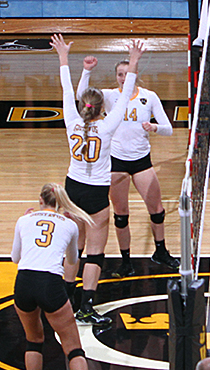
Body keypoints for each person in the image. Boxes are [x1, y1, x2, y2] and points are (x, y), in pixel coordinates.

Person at [52, 33, 143, 326]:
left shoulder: (72, 120)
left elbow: (68, 91)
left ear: (82, 107)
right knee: (95, 251)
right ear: (102, 107)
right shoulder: (107, 126)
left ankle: (64, 302)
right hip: (95, 192)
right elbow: (128, 89)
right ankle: (86, 307)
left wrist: (63, 57)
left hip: (71, 189)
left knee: (72, 248)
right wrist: (135, 60)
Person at [11, 183, 107, 370]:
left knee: (33, 340)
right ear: (61, 203)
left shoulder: (24, 220)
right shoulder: (70, 224)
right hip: (49, 283)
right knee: (72, 346)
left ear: (40, 200)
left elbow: (15, 258)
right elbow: (72, 261)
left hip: (23, 282)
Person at [75, 56, 178, 278]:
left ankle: (161, 251)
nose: (123, 78)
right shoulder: (111, 96)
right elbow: (81, 97)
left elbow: (168, 128)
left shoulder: (148, 97)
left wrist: (154, 127)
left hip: (141, 161)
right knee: (121, 215)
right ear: (116, 77)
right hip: (116, 163)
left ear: (135, 73)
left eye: (126, 73)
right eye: (119, 75)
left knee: (157, 210)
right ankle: (126, 261)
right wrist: (87, 71)